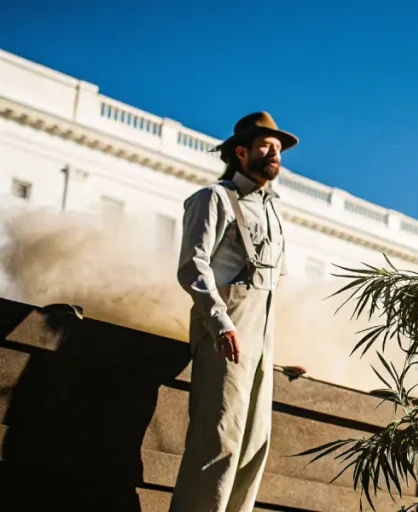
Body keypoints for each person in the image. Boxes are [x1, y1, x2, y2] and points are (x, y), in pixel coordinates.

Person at [170, 112, 296, 512]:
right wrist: (220, 322)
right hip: (227, 330)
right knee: (218, 439)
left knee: (254, 445)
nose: (274, 154)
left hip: (262, 336)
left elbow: (274, 285)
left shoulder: (275, 211)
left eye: (278, 148)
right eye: (266, 146)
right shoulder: (213, 198)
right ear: (241, 152)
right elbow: (193, 266)